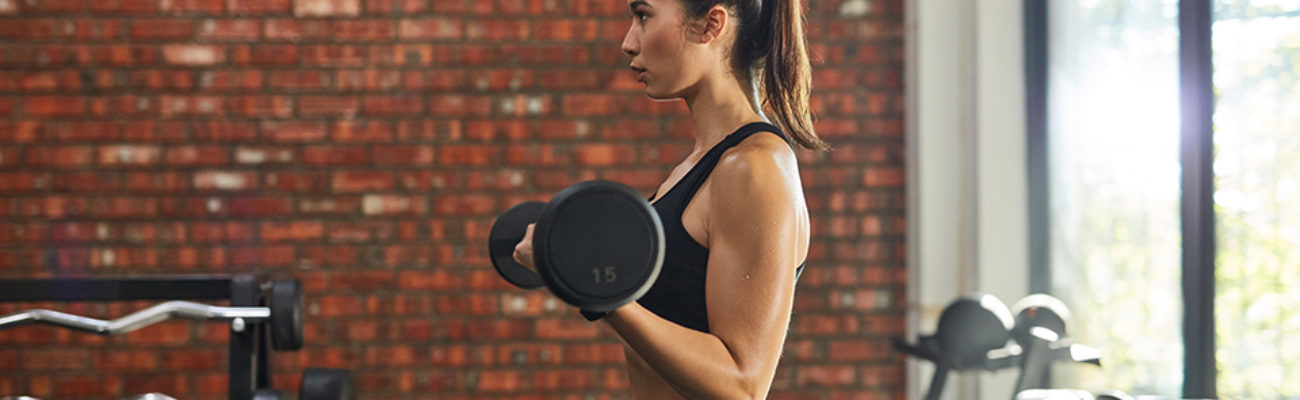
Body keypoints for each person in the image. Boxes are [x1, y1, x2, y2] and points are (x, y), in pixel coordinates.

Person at [515, 0, 828, 397]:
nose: (628, 43)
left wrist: (597, 292)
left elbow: (742, 384)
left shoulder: (754, 167)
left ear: (711, 25)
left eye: (643, 16)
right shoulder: (696, 169)